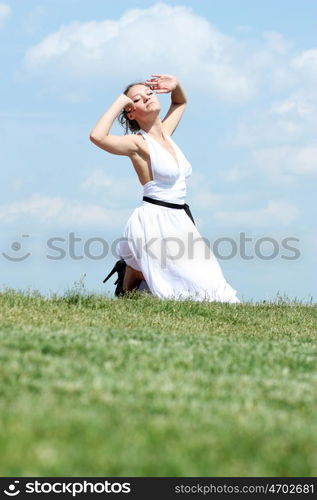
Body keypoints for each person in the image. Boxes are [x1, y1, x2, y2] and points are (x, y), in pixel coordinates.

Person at [90, 74, 240, 303]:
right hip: (154, 220)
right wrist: (121, 101)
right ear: (130, 111)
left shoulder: (166, 135)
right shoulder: (137, 143)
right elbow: (97, 136)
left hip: (179, 218)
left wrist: (176, 86)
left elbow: (180, 102)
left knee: (212, 285)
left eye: (149, 93)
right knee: (189, 286)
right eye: (137, 100)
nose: (147, 98)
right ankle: (131, 277)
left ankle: (130, 275)